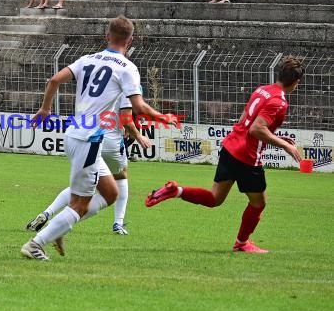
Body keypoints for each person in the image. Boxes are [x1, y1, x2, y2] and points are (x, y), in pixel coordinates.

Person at [20, 15, 178, 260]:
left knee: (111, 192)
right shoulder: (127, 68)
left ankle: (59, 226)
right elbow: (139, 106)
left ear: (107, 36)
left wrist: (45, 109)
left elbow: (54, 80)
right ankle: (36, 244)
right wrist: (164, 117)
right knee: (80, 204)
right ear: (130, 40)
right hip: (90, 141)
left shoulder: (87, 59)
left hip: (75, 134)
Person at [145, 56, 304, 254]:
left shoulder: (262, 90)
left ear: (279, 74)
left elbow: (246, 118)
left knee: (214, 198)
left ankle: (176, 191)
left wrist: (273, 137)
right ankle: (242, 243)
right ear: (296, 82)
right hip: (247, 156)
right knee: (258, 203)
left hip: (231, 146)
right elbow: (256, 129)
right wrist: (284, 145)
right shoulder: (279, 102)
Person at [25, 98, 152, 236]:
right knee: (121, 177)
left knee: (82, 184)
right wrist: (136, 133)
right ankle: (118, 223)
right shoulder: (127, 84)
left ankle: (47, 213)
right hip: (112, 142)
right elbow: (133, 111)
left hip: (91, 139)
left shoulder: (99, 85)